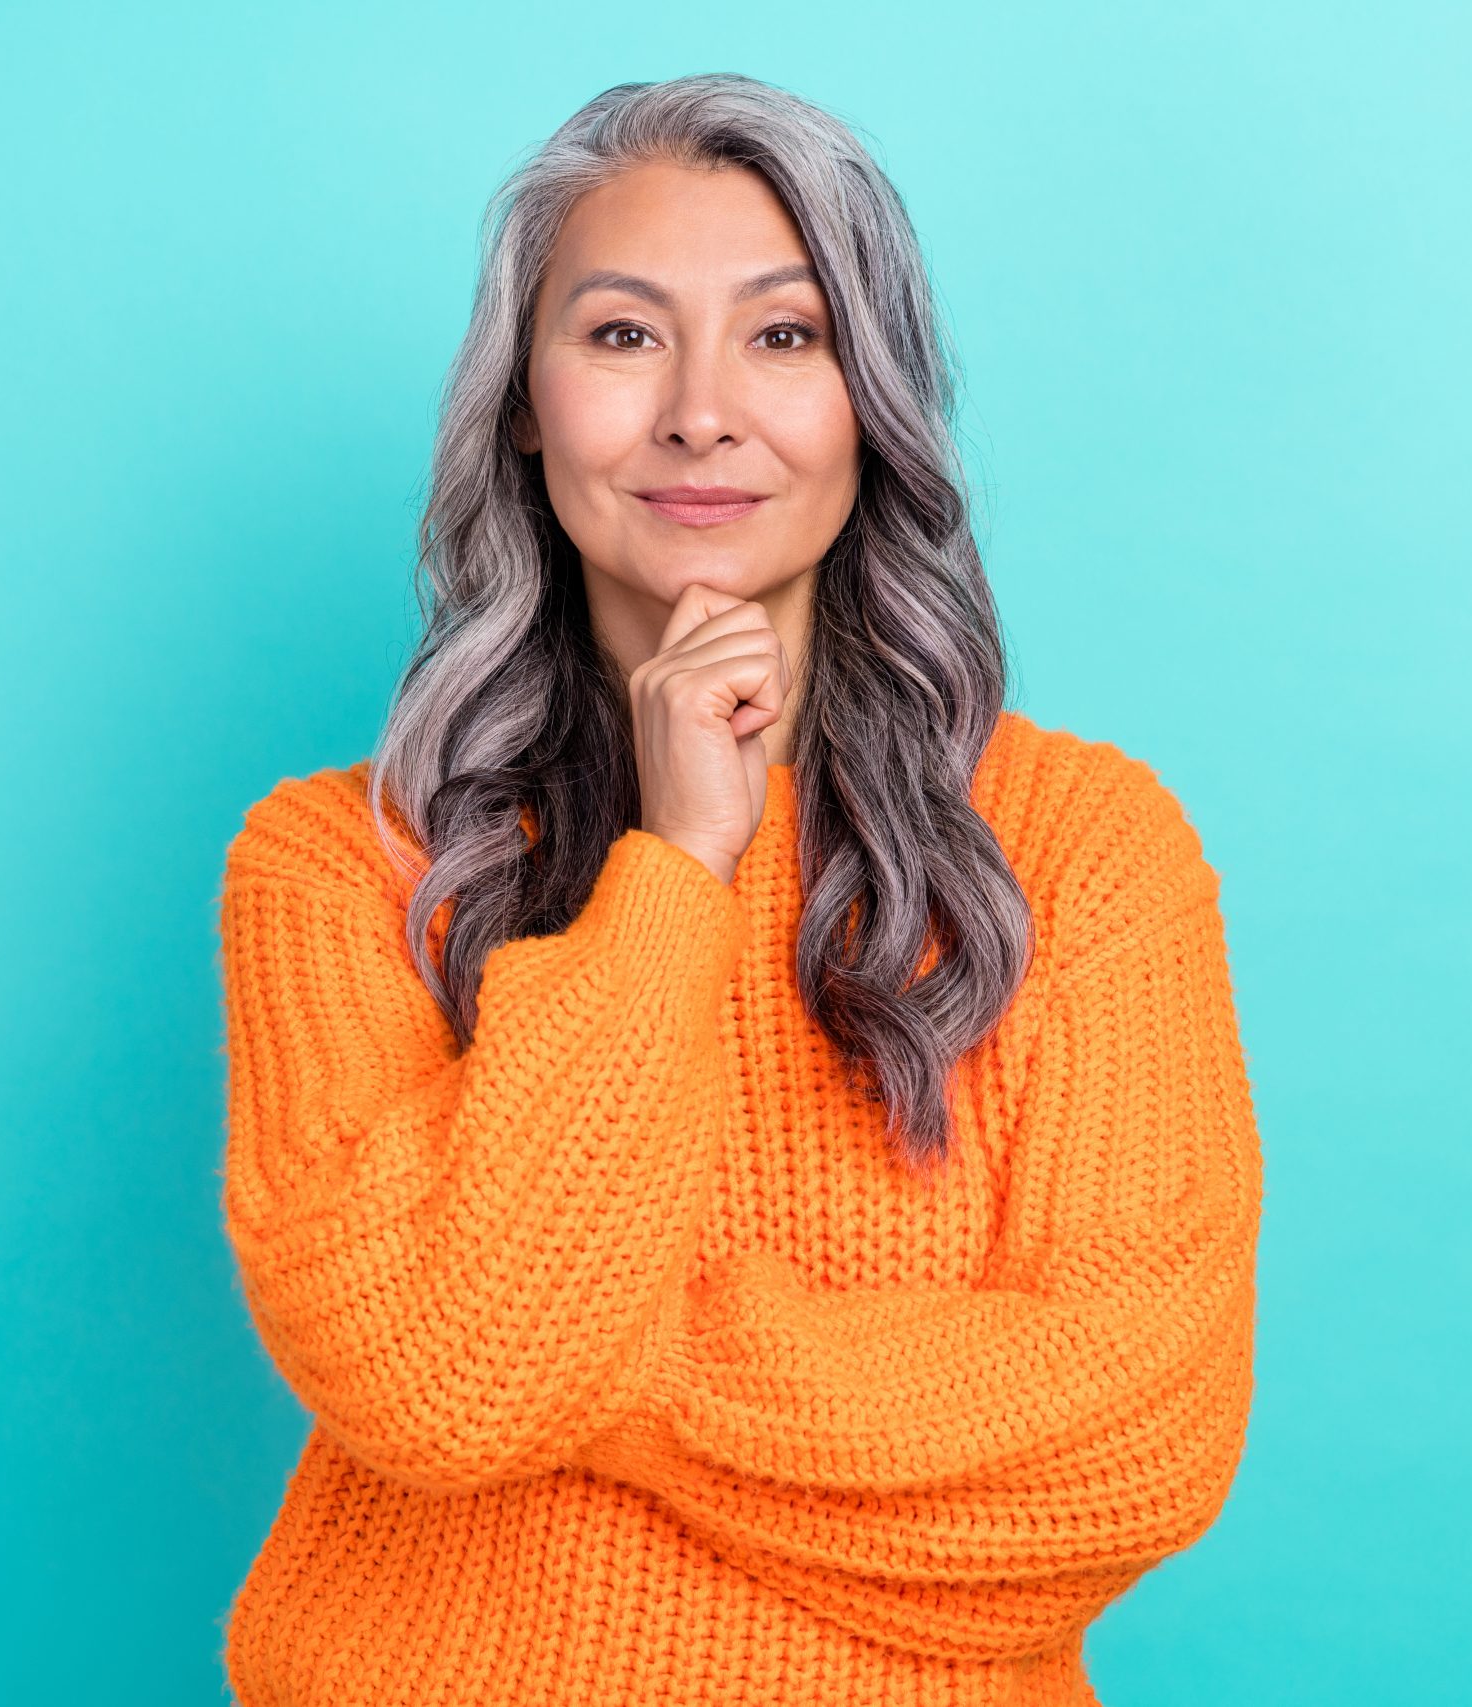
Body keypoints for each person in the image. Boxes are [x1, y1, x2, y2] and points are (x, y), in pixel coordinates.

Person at [214, 71, 1264, 1707]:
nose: (702, 411)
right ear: (521, 406)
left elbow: (1133, 1443)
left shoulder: (1082, 847)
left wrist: (582, 1367)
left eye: (784, 337)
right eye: (623, 336)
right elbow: (429, 1386)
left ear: (874, 399)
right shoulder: (346, 865)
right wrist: (677, 868)